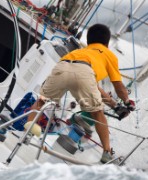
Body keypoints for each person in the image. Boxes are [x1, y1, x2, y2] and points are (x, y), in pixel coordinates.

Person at [27, 23, 135, 163]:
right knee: (98, 113)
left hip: (63, 64)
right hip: (84, 72)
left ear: (89, 40)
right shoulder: (109, 55)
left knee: (42, 101)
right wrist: (127, 102)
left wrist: (115, 106)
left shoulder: (82, 51)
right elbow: (118, 86)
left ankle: (28, 133)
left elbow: (94, 87)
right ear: (107, 43)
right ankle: (107, 153)